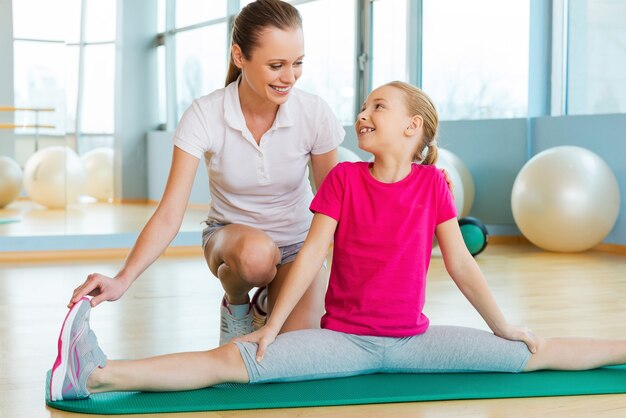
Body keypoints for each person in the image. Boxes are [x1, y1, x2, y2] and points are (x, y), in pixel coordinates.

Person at [49, 81, 626, 402]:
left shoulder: (433, 186)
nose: (363, 112)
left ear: (413, 127)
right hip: (344, 341)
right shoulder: (345, 179)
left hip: (414, 342)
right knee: (233, 361)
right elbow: (312, 255)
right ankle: (96, 374)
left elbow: (462, 267)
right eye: (365, 104)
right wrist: (270, 329)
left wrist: (502, 325)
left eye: (379, 105)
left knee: (532, 353)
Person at [67, 0, 346, 345]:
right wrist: (122, 279)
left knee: (297, 346)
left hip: (299, 245)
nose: (290, 77)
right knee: (256, 256)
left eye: (298, 63)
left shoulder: (314, 113)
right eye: (276, 65)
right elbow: (170, 214)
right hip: (231, 241)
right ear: (239, 56)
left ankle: (267, 301)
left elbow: (336, 208)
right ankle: (238, 303)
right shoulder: (205, 114)